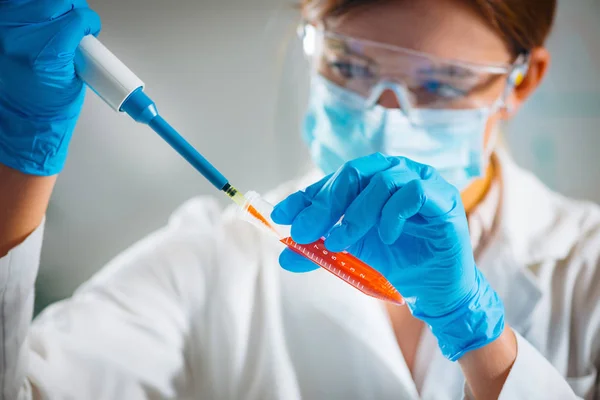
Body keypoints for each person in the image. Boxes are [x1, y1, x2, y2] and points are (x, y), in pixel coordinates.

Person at [1, 0, 598, 399]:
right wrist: (18, 158)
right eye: (351, 66)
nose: (385, 113)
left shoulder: (589, 267)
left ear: (523, 79)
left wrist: (478, 336)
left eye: (439, 84)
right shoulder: (215, 258)